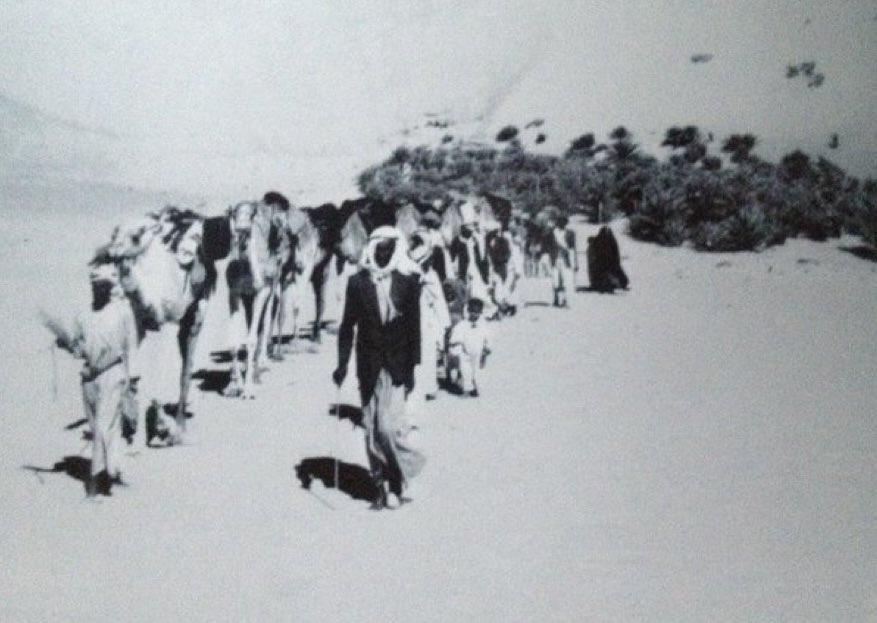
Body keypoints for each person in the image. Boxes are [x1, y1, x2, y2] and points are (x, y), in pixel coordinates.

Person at [332, 226, 425, 509]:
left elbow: (414, 329)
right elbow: (347, 327)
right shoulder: (358, 283)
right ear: (371, 250)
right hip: (368, 364)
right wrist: (342, 364)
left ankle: (399, 476)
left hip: (397, 365)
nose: (382, 255)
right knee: (371, 428)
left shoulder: (407, 283)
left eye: (388, 250)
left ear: (395, 250)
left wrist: (412, 369)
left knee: (388, 428)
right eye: (378, 250)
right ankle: (382, 487)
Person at [51, 264, 139, 497]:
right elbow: (79, 349)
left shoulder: (122, 312)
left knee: (102, 425)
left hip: (113, 373)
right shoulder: (83, 316)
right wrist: (66, 344)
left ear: (110, 288)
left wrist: (132, 378)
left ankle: (94, 484)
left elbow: (129, 346)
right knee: (101, 427)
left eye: (103, 286)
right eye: (95, 286)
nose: (99, 289)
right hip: (89, 378)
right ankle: (111, 470)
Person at [408, 229, 451, 406]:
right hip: (416, 316)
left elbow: (439, 300)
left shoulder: (431, 275)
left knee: (428, 351)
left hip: (427, 317)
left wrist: (444, 322)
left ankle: (427, 387)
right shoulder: (412, 271)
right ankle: (416, 386)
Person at [447, 297, 491, 397]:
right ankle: (467, 389)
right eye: (472, 312)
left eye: (477, 312)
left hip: (478, 352)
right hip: (465, 352)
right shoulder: (462, 325)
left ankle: (475, 387)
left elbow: (488, 337)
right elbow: (455, 338)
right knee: (465, 371)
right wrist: (457, 346)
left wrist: (487, 349)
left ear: (481, 312)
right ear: (468, 311)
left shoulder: (483, 325)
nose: (474, 314)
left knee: (477, 371)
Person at [548, 214, 578, 307]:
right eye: (560, 222)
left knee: (566, 280)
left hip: (566, 260)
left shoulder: (570, 233)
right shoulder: (552, 233)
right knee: (555, 280)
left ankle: (565, 299)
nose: (562, 224)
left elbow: (573, 248)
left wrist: (575, 263)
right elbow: (548, 246)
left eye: (564, 222)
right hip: (554, 259)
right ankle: (556, 299)